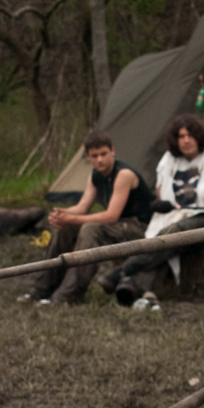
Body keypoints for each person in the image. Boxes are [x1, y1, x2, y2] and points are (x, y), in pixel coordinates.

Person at [100, 114, 204, 309]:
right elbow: (161, 194)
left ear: (199, 136)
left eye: (190, 135)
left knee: (171, 234)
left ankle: (122, 271)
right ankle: (132, 288)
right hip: (174, 215)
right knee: (162, 239)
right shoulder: (169, 159)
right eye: (181, 136)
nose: (186, 140)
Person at [20, 130, 152, 305]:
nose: (99, 160)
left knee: (91, 229)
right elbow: (82, 208)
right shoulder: (96, 175)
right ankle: (42, 289)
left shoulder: (123, 174)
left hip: (139, 228)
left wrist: (73, 219)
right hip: (118, 225)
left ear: (113, 151)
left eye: (103, 154)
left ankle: (69, 294)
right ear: (88, 158)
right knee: (66, 227)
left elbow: (111, 216)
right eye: (94, 156)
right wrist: (63, 214)